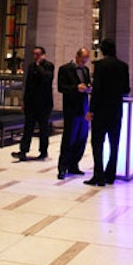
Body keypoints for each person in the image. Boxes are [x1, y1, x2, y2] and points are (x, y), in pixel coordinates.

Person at [84, 38, 130, 186]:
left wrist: (91, 110)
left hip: (101, 111)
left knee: (97, 143)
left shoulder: (100, 66)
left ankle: (98, 176)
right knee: (114, 143)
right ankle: (110, 175)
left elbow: (97, 90)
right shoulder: (123, 66)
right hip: (116, 111)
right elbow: (126, 89)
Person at [11, 46, 54, 161]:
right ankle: (23, 151)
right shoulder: (31, 66)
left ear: (43, 55)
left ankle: (43, 151)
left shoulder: (48, 66)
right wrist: (24, 101)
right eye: (34, 54)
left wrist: (39, 65)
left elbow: (46, 78)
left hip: (44, 104)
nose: (35, 57)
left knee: (43, 129)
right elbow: (28, 85)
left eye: (38, 54)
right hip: (31, 103)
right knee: (28, 128)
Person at [57, 47, 92, 180]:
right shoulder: (65, 69)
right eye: (84, 58)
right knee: (69, 138)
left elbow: (87, 84)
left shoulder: (85, 70)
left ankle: (74, 164)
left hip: (83, 108)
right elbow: (61, 87)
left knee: (81, 138)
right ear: (77, 56)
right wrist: (76, 88)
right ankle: (62, 167)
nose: (85, 61)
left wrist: (88, 88)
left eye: (87, 58)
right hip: (71, 109)